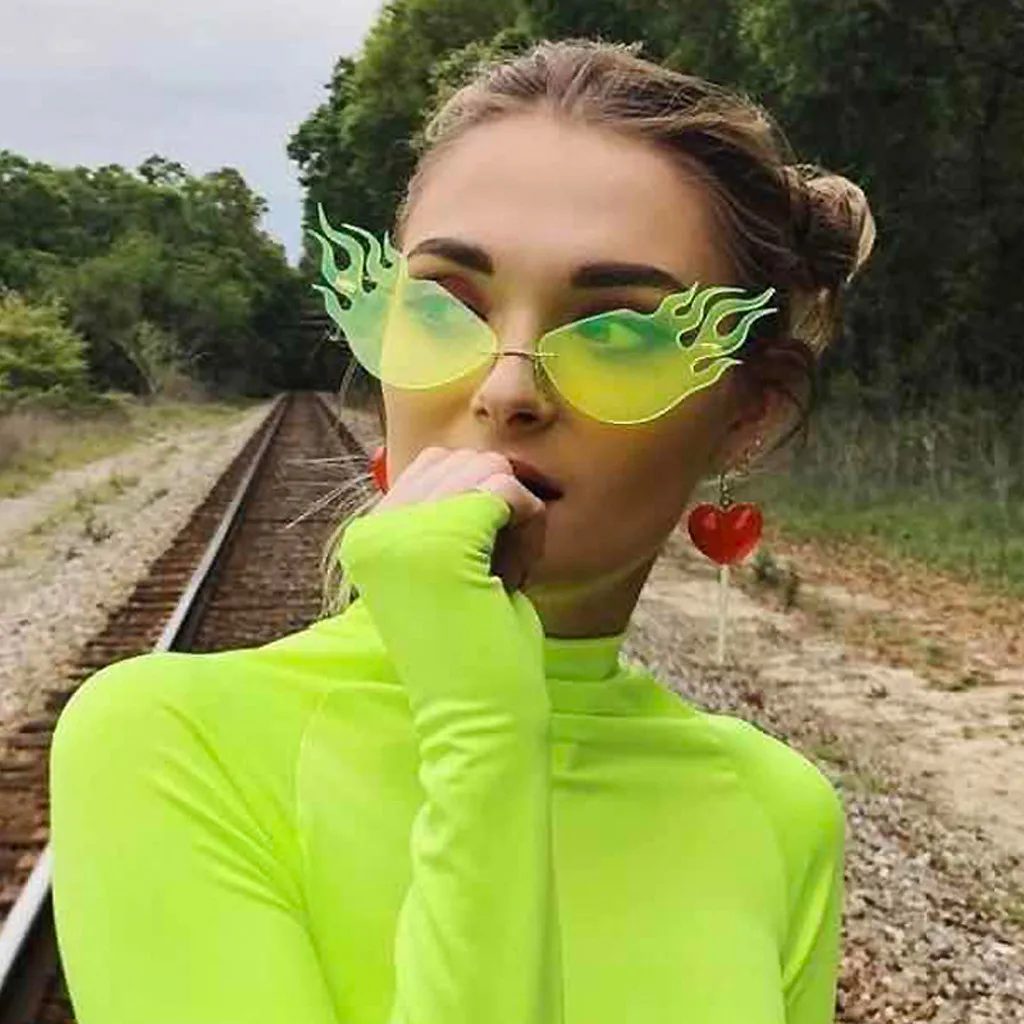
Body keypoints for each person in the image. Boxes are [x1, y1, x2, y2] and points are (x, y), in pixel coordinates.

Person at [49, 38, 875, 1024]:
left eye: (618, 330)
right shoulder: (167, 741)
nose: (505, 387)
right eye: (445, 306)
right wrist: (483, 735)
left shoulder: (780, 814)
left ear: (748, 413)